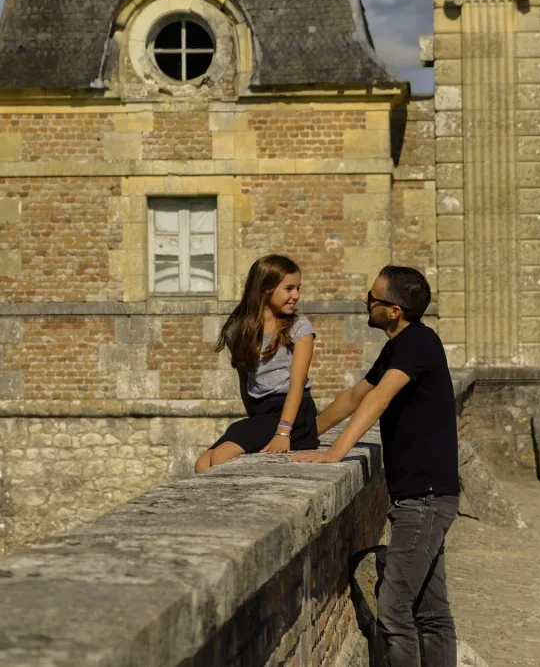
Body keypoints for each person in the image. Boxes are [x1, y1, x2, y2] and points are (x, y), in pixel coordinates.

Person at [291, 266, 459, 667]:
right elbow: (353, 396)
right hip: (422, 497)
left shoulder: (418, 342)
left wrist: (336, 454)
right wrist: (301, 438)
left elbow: (380, 399)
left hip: (424, 500)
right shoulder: (400, 346)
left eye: (373, 298)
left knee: (396, 610)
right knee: (431, 612)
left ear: (394, 311)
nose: (366, 301)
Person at [194, 255, 319, 473]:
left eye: (298, 288)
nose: (296, 295)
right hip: (262, 414)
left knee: (221, 456)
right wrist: (255, 425)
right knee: (202, 464)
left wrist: (283, 431)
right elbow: (246, 381)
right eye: (289, 288)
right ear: (264, 289)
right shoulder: (238, 330)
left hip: (294, 413)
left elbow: (297, 384)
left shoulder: (299, 328)